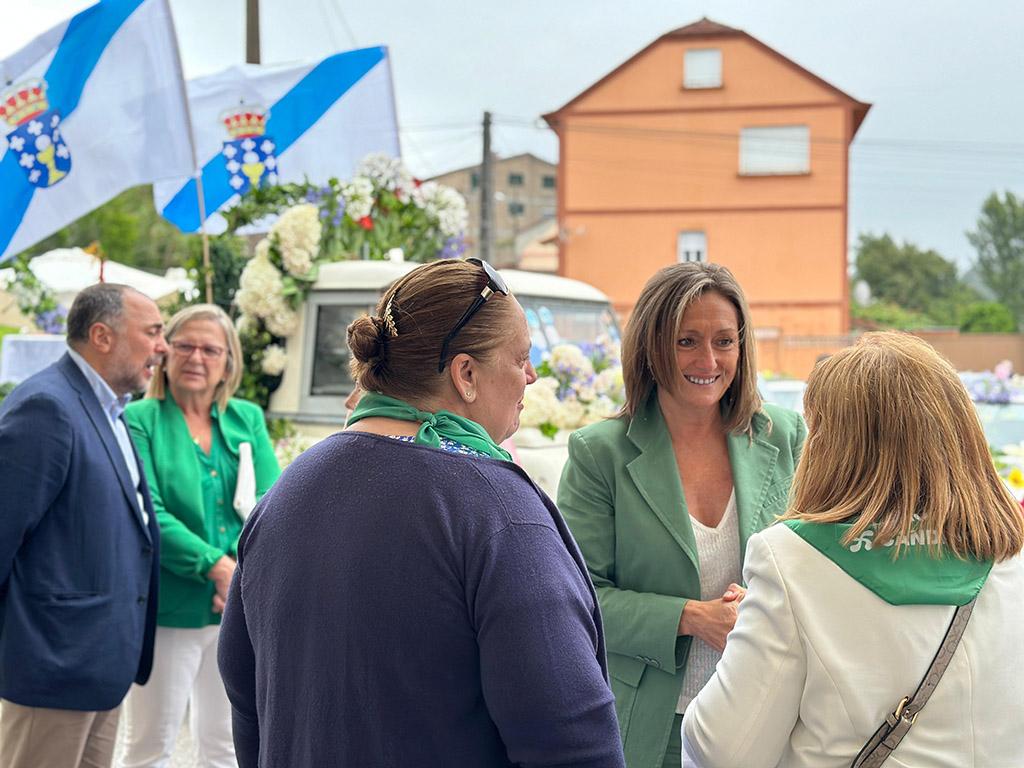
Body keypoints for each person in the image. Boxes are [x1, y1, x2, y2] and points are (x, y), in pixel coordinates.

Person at [218, 257, 626, 768]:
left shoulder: (289, 489)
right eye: (520, 357)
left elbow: (245, 693)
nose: (532, 375)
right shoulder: (498, 510)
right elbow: (573, 741)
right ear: (467, 374)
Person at [682, 332, 1024, 767]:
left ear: (832, 445)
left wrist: (757, 633)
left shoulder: (793, 560)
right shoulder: (1008, 545)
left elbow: (723, 750)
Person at [558, 262, 806, 768]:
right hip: (658, 729)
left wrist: (761, 596)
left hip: (773, 717)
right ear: (651, 347)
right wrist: (693, 618)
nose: (709, 359)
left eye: (724, 341)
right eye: (686, 341)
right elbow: (576, 601)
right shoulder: (598, 453)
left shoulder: (785, 435)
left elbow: (815, 564)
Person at [0, 283, 166, 768]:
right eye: (153, 331)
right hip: (51, 670)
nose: (163, 346)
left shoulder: (110, 407)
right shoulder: (46, 407)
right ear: (102, 336)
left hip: (99, 668)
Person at [119, 304, 281, 768]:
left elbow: (271, 504)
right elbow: (149, 512)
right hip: (170, 606)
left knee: (225, 745)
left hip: (238, 605)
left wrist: (236, 576)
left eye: (210, 349)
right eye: (185, 345)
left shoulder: (246, 418)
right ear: (165, 354)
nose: (196, 357)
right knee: (151, 746)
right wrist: (218, 566)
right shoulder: (140, 419)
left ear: (228, 362)